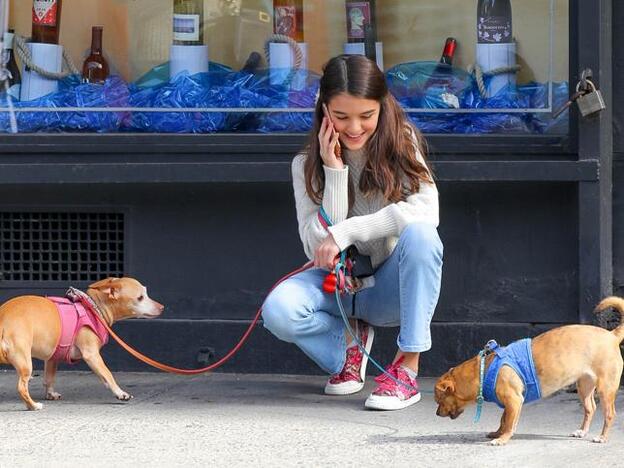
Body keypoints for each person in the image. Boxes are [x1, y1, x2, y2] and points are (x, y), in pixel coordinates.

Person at [262, 54, 443, 411]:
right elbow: (315, 245)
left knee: (422, 237)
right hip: (336, 288)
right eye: (341, 117)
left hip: (387, 288)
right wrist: (334, 173)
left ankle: (407, 368)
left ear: (382, 106)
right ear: (323, 110)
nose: (355, 128)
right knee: (278, 310)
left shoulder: (401, 143)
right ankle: (347, 347)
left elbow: (428, 210)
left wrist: (347, 231)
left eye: (366, 116)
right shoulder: (305, 165)